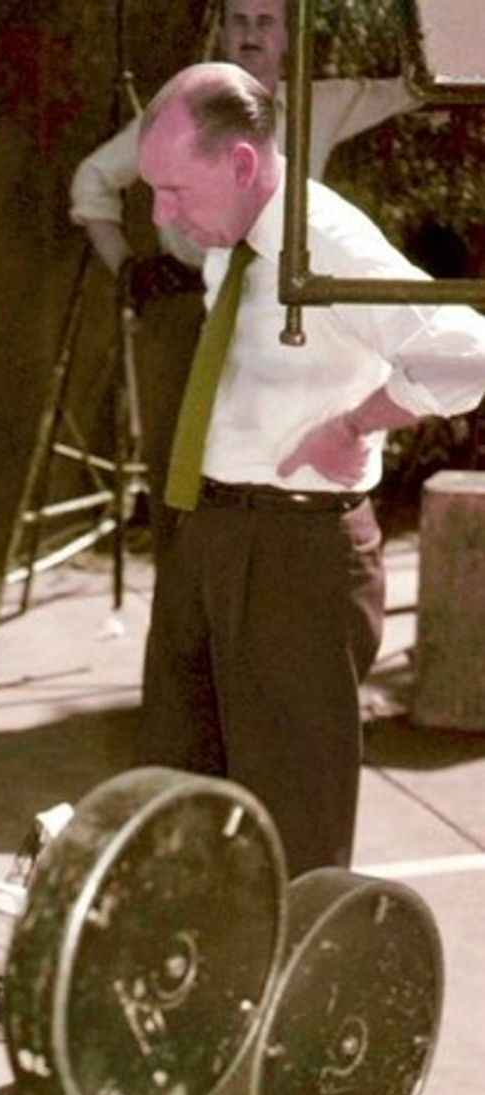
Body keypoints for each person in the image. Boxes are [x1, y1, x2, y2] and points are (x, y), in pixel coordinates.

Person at [133, 63, 485, 877]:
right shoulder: (240, 236)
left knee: (292, 825)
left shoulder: (325, 241)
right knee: (182, 794)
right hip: (212, 530)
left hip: (294, 551)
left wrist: (359, 421)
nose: (163, 215)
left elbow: (468, 352)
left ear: (242, 164)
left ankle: (296, 993)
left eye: (175, 190)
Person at [70, 2, 415, 553]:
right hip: (187, 304)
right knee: (178, 473)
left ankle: (256, 605)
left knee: (270, 462)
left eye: (265, 21)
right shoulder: (188, 107)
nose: (251, 34)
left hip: (282, 304)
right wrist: (128, 269)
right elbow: (93, 177)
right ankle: (184, 612)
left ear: (288, 35)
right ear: (222, 31)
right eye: (238, 20)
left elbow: (415, 85)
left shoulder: (318, 104)